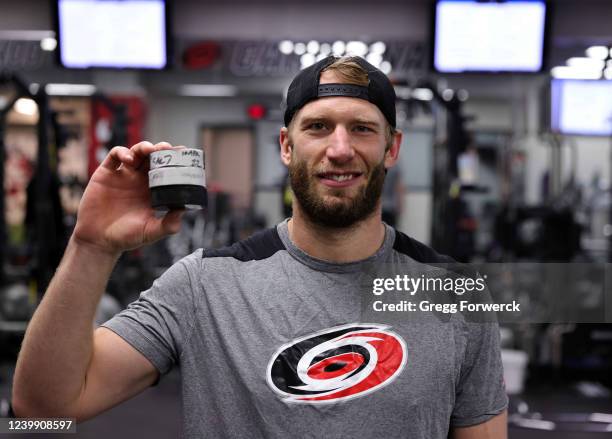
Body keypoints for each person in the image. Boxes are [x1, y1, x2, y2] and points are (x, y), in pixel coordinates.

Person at [12, 56, 508, 438]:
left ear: (392, 147)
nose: (339, 148)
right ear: (287, 146)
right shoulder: (203, 284)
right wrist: (92, 244)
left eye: (361, 128)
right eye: (317, 127)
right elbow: (46, 408)